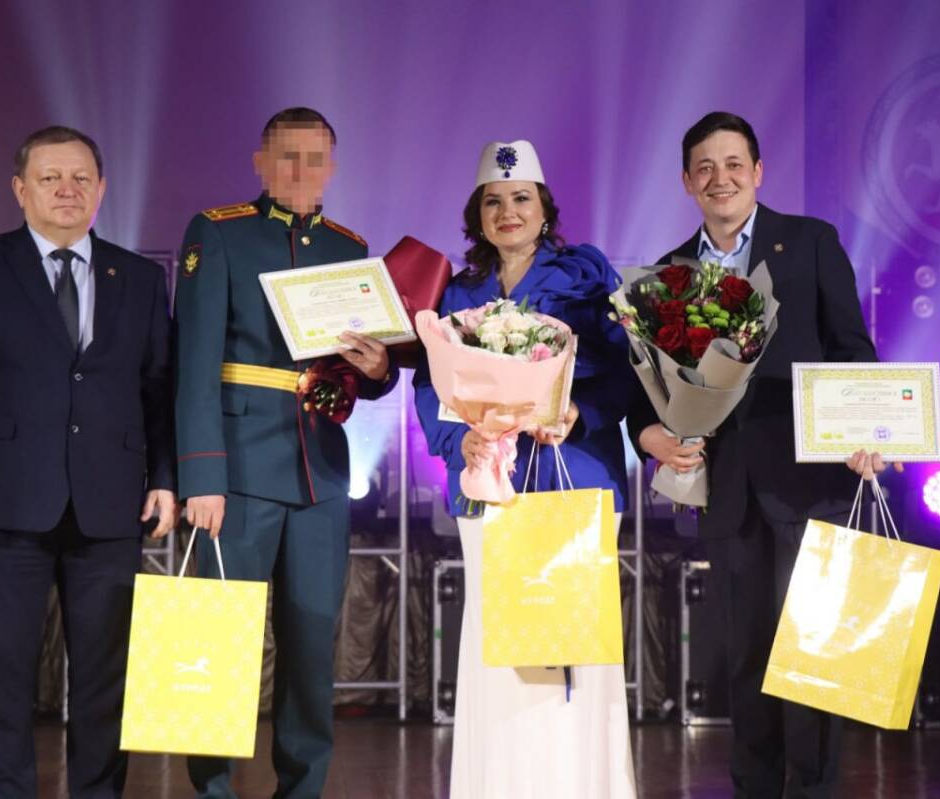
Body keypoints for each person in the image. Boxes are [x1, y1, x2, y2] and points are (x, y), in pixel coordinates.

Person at [629, 111, 896, 798]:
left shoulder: (808, 242)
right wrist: (654, 435)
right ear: (687, 181)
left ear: (757, 171)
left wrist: (866, 429)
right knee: (745, 654)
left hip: (812, 480)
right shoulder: (670, 273)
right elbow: (648, 383)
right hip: (728, 487)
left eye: (733, 164)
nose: (720, 178)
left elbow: (851, 348)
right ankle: (753, 786)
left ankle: (813, 789)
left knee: (814, 651)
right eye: (705, 167)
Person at [0, 125, 176, 798]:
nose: (67, 190)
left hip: (111, 505)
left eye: (81, 178)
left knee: (107, 683)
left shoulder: (140, 278)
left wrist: (168, 479)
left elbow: (160, 391)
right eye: (50, 177)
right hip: (1, 501)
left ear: (101, 189)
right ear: (20, 189)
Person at [175, 107, 397, 799]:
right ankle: (212, 789)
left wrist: (379, 368)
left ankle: (302, 789)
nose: (301, 171)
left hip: (319, 472)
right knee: (219, 644)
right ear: (260, 163)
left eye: (315, 158)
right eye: (287, 157)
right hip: (236, 470)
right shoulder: (219, 232)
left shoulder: (349, 247)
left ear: (333, 167)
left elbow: (362, 368)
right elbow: (193, 363)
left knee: (310, 646)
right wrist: (201, 474)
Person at [414, 140, 637, 798]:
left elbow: (634, 371)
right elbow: (431, 386)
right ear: (477, 215)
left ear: (544, 209)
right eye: (493, 201)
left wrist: (581, 413)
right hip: (491, 486)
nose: (507, 211)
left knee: (575, 649)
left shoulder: (587, 277)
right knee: (499, 650)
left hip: (576, 479)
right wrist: (460, 443)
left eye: (521, 198)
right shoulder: (457, 292)